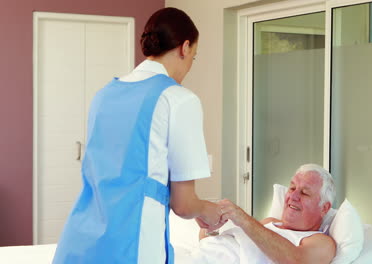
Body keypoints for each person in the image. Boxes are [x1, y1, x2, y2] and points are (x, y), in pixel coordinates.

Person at [53, 7, 222, 264]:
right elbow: (184, 204)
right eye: (193, 58)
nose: (189, 67)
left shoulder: (104, 94)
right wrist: (209, 211)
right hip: (132, 246)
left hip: (80, 243)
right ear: (185, 48)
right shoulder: (178, 100)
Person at [192, 164, 336, 264]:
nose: (293, 196)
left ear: (324, 208)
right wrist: (211, 228)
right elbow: (207, 240)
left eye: (304, 193)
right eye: (292, 188)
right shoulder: (269, 223)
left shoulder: (321, 241)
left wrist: (242, 217)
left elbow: (297, 261)